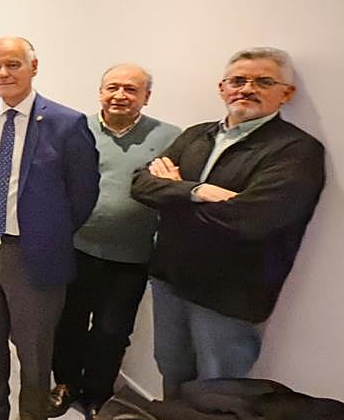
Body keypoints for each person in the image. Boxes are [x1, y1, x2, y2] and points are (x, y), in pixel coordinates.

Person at [132, 47, 325, 398]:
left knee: (219, 387)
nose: (247, 88)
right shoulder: (196, 135)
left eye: (263, 81)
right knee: (171, 367)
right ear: (222, 88)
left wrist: (173, 192)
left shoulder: (296, 151)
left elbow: (250, 220)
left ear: (287, 93)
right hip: (170, 278)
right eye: (238, 80)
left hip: (228, 294)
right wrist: (198, 191)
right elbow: (141, 184)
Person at [0, 37, 99, 420]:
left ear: (34, 66)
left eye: (13, 64)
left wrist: (46, 234)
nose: (3, 74)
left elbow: (83, 195)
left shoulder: (67, 124)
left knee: (35, 351)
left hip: (32, 255)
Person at [47, 65, 180, 420]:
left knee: (112, 331)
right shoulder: (78, 130)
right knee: (68, 323)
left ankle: (98, 395)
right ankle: (65, 384)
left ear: (146, 97)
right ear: (100, 91)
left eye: (130, 89)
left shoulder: (169, 138)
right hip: (75, 249)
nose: (120, 95)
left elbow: (173, 190)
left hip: (130, 258)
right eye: (113, 87)